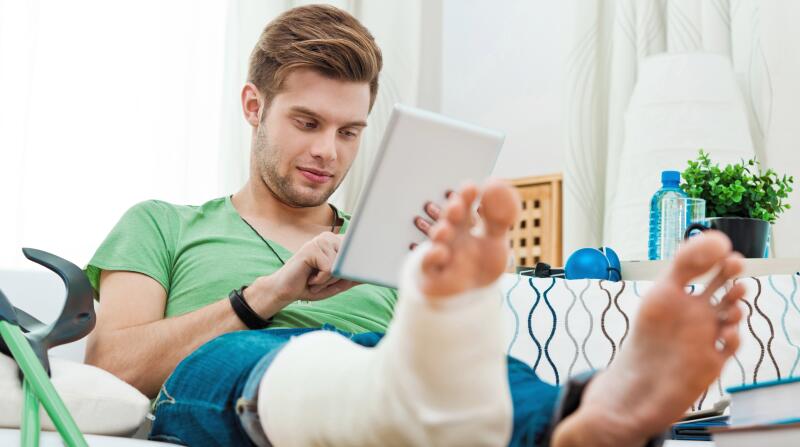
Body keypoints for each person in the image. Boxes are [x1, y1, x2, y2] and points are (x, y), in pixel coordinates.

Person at [84, 5, 745, 446]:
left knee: (466, 362)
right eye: (307, 123)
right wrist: (268, 295)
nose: (328, 152)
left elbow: (437, 361)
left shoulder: (384, 241)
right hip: (229, 374)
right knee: (249, 355)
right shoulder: (162, 224)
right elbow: (113, 364)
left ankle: (577, 415)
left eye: (349, 131)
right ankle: (393, 396)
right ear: (254, 106)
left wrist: (442, 292)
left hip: (384, 357)